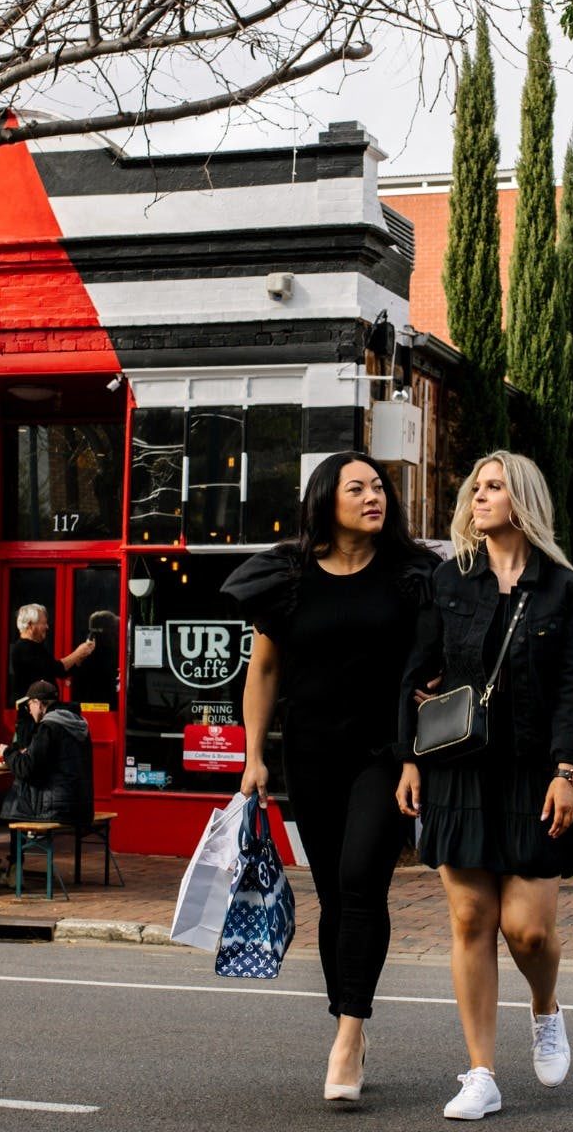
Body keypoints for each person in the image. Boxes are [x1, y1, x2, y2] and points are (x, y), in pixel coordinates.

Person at [395, 451, 573, 1121]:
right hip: (457, 771)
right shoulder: (448, 581)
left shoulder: (565, 590)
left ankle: (546, 1008)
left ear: (521, 500)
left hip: (533, 777)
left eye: (492, 488)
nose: (478, 498)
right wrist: (409, 758)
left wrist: (567, 772)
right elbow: (417, 675)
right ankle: (480, 1074)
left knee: (525, 932)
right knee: (470, 919)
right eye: (475, 489)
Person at [222, 450, 435, 1103]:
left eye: (379, 487)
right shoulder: (288, 579)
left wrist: (415, 752)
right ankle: (350, 1016)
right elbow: (262, 673)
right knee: (334, 898)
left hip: (383, 755)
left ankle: (348, 1033)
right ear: (326, 499)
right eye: (358, 487)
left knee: (359, 881)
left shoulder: (411, 575)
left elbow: (433, 667)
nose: (375, 496)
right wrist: (253, 756)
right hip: (310, 756)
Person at [0, 680, 94, 827]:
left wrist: (6, 752)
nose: (29, 711)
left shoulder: (49, 726)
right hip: (82, 808)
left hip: (56, 808)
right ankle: (20, 847)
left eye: (29, 705)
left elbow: (26, 768)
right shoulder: (76, 723)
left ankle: (9, 850)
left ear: (38, 703)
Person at [9, 602, 95, 741]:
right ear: (31, 625)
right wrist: (78, 653)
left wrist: (80, 659)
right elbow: (56, 668)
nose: (47, 627)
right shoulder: (23, 649)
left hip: (42, 717)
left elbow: (59, 672)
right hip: (32, 720)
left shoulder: (36, 647)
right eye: (43, 623)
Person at [67, 610, 119, 709]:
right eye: (113, 630)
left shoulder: (84, 652)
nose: (116, 635)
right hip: (99, 706)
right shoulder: (104, 654)